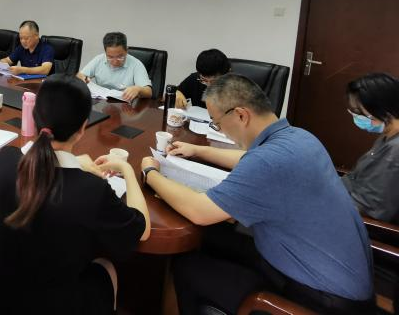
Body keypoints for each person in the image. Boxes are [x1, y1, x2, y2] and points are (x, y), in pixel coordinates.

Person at [140, 74, 374, 315]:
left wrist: (150, 173)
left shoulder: (269, 162)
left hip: (317, 296)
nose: (220, 130)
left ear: (241, 115)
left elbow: (198, 211)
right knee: (210, 236)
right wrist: (198, 150)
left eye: (217, 123)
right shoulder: (300, 137)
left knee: (187, 266)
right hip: (324, 270)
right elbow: (249, 159)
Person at [0, 75, 151, 315]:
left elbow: (30, 157)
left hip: (0, 297)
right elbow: (142, 230)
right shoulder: (92, 190)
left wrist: (75, 163)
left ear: (35, 116)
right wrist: (127, 169)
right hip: (56, 305)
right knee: (105, 266)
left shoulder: (8, 160)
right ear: (83, 127)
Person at [342, 72, 399, 222]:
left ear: (382, 109)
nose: (356, 116)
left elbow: (370, 209)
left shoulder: (395, 151)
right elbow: (357, 178)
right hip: (349, 201)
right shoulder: (388, 136)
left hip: (362, 223)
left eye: (358, 111)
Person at [76, 31, 152, 101]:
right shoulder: (99, 59)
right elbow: (80, 75)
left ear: (126, 50)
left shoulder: (136, 64)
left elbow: (149, 92)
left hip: (125, 106)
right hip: (102, 102)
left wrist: (138, 89)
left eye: (120, 57)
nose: (115, 62)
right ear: (105, 52)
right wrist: (82, 78)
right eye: (110, 57)